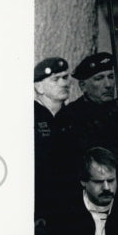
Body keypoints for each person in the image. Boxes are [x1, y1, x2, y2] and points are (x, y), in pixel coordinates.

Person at [53, 51, 118, 196]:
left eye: (111, 77)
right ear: (83, 86)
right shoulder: (70, 115)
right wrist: (110, 118)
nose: (108, 84)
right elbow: (78, 156)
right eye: (99, 79)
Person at [34, 56, 70, 221]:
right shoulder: (29, 116)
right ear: (39, 86)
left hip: (68, 204)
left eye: (65, 77)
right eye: (55, 79)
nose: (64, 83)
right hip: (39, 204)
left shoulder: (72, 117)